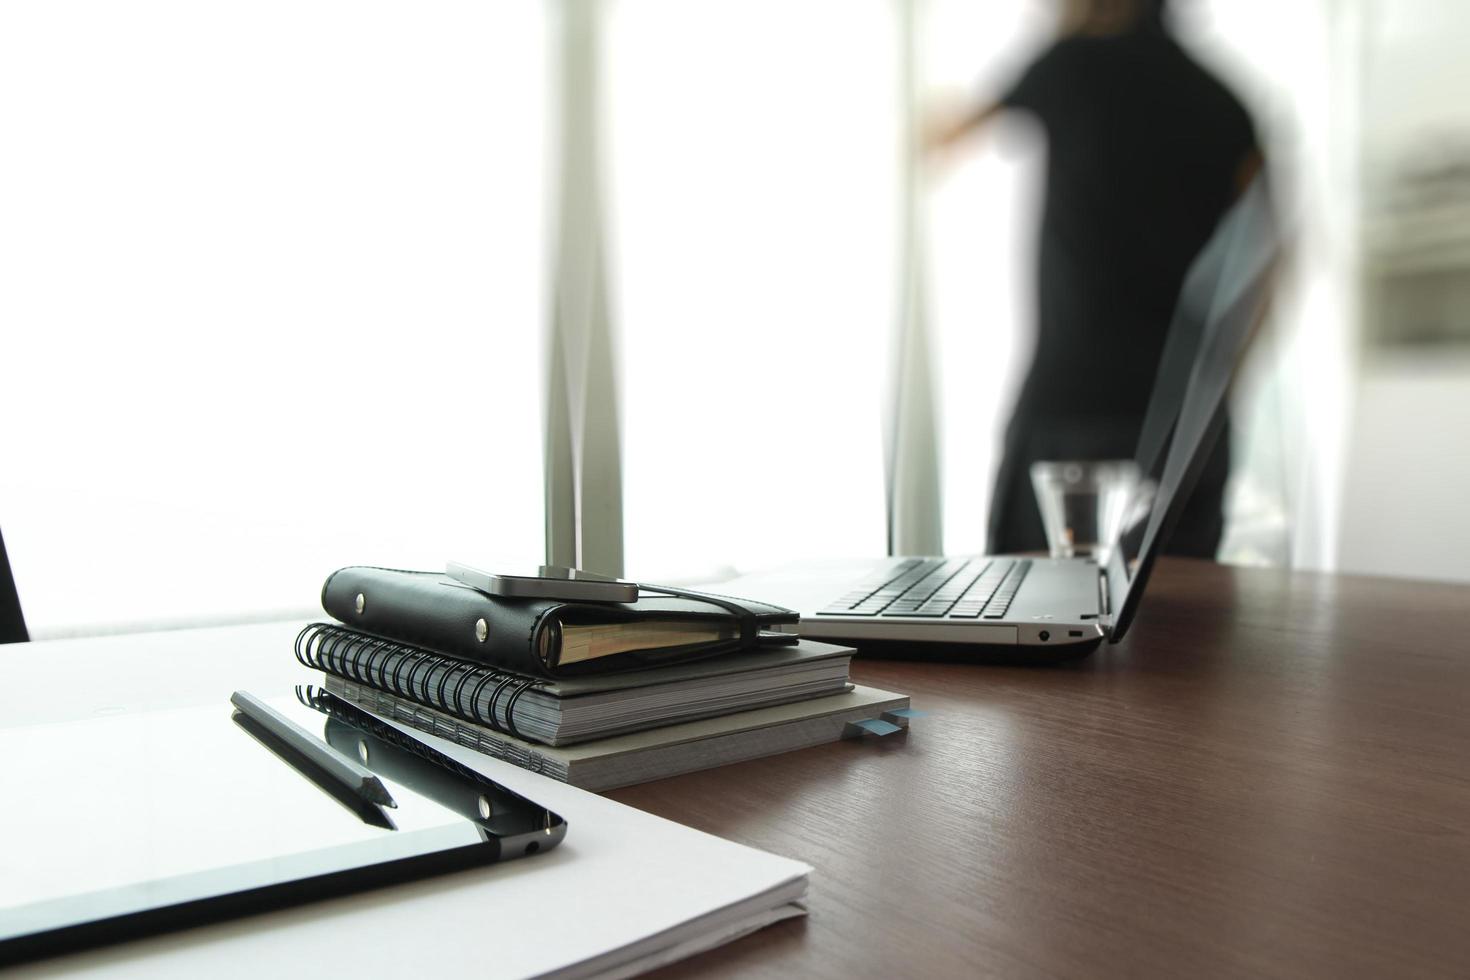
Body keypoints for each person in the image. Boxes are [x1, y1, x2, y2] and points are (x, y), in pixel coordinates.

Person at [930, 0, 1262, 557]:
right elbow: (1269, 259)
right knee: (1183, 628)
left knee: (1032, 615)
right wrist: (1230, 376)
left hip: (1072, 407)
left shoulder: (1068, 63)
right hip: (1187, 415)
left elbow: (939, 140)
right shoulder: (1226, 100)